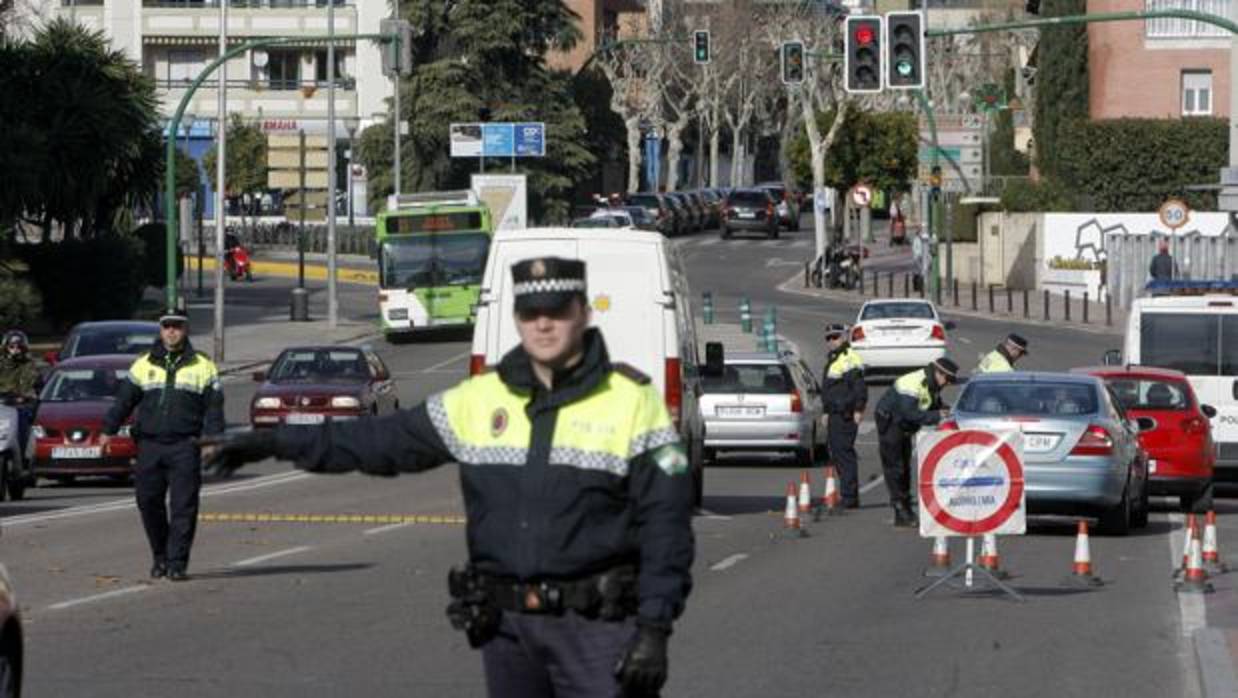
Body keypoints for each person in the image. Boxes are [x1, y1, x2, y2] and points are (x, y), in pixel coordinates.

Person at [200, 257, 695, 698]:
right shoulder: (479, 400)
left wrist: (654, 627)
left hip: (596, 628)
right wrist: (272, 441)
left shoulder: (631, 401)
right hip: (507, 630)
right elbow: (378, 441)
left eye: (558, 311)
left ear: (583, 314)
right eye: (530, 313)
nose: (544, 325)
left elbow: (666, 525)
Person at [101, 310, 223, 582]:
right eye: (167, 326)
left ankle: (177, 563)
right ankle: (160, 556)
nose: (171, 331)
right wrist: (108, 430)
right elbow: (124, 401)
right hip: (150, 446)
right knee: (147, 502)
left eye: (177, 327)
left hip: (185, 446)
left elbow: (214, 410)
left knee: (183, 506)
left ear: (186, 330)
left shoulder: (203, 365)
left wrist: (212, 441)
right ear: (160, 330)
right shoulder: (143, 364)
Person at [873, 357, 959, 528]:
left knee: (905, 467)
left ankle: (905, 506)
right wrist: (937, 416)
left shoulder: (931, 383)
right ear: (938, 373)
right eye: (947, 379)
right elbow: (910, 413)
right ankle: (900, 510)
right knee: (895, 469)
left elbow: (932, 403)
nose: (947, 384)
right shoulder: (913, 383)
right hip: (891, 424)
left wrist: (945, 409)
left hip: (903, 427)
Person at [820, 323, 866, 508]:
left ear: (844, 337)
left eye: (836, 336)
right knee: (838, 454)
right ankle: (848, 495)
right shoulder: (835, 357)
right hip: (834, 413)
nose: (832, 341)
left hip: (845, 414)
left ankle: (849, 498)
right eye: (828, 338)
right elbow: (830, 389)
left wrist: (858, 409)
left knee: (845, 454)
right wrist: (825, 411)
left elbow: (859, 387)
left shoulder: (849, 357)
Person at [0, 329, 40, 452]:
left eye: (19, 347)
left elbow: (35, 384)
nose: (15, 349)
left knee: (22, 421)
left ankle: (22, 454)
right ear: (6, 347)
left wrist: (26, 396)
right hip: (3, 403)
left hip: (22, 404)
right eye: (12, 346)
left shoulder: (30, 365)